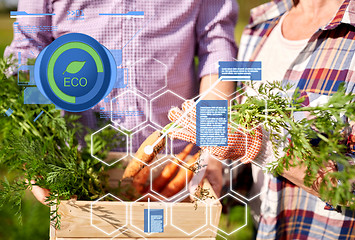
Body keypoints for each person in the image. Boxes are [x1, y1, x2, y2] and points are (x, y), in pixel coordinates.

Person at [5, 0, 239, 203]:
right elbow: (29, 51)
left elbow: (217, 50)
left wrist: (211, 151)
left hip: (175, 169)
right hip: (80, 169)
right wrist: (35, 154)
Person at [168, 0, 355, 238]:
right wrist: (214, 162)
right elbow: (236, 105)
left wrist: (258, 146)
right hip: (264, 229)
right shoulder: (261, 24)